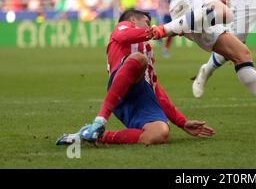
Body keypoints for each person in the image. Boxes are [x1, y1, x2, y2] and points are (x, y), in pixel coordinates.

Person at [56, 9, 215, 146]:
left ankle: (95, 135)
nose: (149, 25)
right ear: (133, 19)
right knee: (139, 59)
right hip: (122, 86)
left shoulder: (147, 51)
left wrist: (182, 122)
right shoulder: (123, 27)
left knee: (160, 133)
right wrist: (155, 31)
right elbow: (125, 36)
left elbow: (155, 89)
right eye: (146, 22)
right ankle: (100, 120)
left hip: (142, 96)